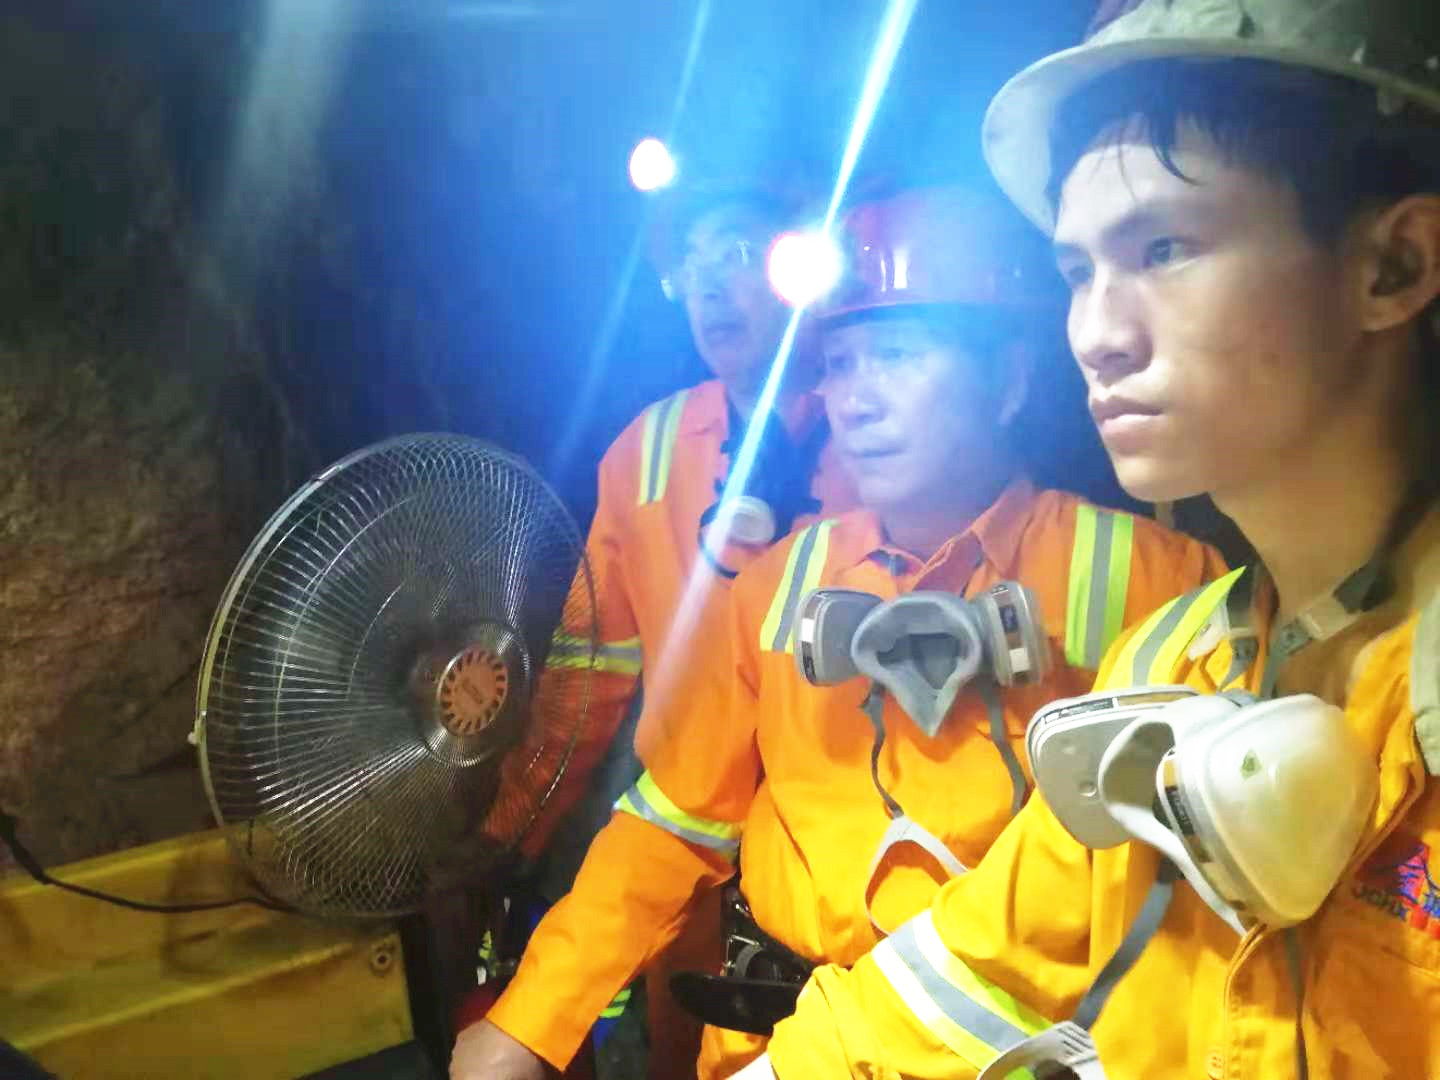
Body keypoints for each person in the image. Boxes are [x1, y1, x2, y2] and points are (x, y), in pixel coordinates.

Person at [752, 2, 1440, 1077]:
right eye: (1077, 273)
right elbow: (975, 970)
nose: (1099, 335)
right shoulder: (1172, 665)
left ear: (1392, 266)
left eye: (1164, 248)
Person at [451, 183, 1225, 1080]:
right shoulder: (776, 586)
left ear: (1010, 381)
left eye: (895, 355)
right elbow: (672, 820)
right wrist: (530, 1022)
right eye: (842, 364)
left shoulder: (1156, 582)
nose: (856, 400)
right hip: (772, 1044)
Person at [459, 174, 860, 1079]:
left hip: (839, 872)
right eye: (692, 261)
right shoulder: (644, 452)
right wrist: (511, 830)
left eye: (739, 251)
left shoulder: (880, 434)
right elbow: (586, 674)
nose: (710, 283)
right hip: (680, 865)